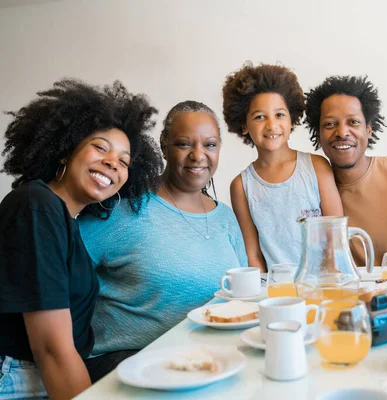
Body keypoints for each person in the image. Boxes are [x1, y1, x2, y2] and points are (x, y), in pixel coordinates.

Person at [0, 78, 162, 399]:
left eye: (124, 161)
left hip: (48, 372)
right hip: (19, 379)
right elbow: (52, 350)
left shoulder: (67, 220)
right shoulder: (37, 205)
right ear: (65, 150)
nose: (112, 162)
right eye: (100, 147)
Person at [78, 101, 248, 382]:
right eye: (184, 144)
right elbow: (55, 278)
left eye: (210, 144)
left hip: (203, 363)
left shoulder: (226, 219)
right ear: (164, 145)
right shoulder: (121, 209)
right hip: (124, 365)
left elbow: (239, 299)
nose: (198, 155)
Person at [305, 75, 387, 266]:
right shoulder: (307, 186)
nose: (342, 132)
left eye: (353, 122)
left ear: (369, 129)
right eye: (330, 124)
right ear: (318, 134)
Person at [223, 63, 343, 271]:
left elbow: (336, 237)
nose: (271, 125)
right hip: (277, 292)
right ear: (243, 125)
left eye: (279, 115)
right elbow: (253, 254)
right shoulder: (241, 186)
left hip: (323, 284)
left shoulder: (317, 167)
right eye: (260, 117)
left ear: (292, 121)